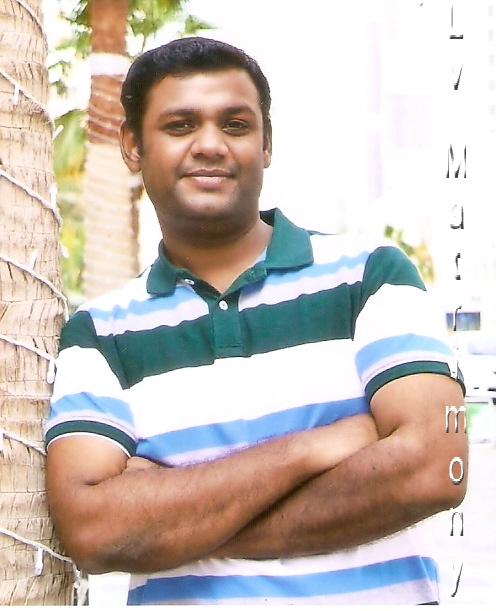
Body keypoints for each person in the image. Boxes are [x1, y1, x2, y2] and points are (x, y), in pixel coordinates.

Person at [45, 37, 467, 605]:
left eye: (236, 125)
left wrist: (176, 522)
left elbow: (437, 469)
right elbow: (94, 532)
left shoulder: (370, 277)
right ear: (132, 146)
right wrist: (310, 449)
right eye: (180, 126)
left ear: (266, 144)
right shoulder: (100, 335)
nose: (210, 144)